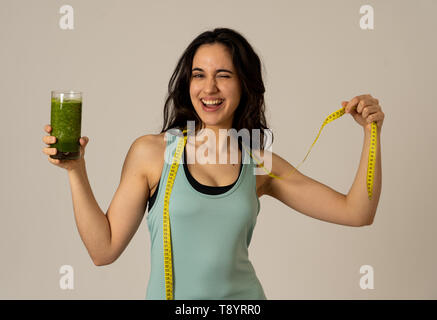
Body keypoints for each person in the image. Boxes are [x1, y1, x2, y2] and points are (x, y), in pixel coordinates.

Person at [42, 27, 384, 300]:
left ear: (245, 85)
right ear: (187, 83)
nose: (209, 88)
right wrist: (76, 170)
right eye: (198, 75)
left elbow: (357, 212)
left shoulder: (258, 162)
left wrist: (372, 134)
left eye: (224, 75)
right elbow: (103, 250)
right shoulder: (153, 153)